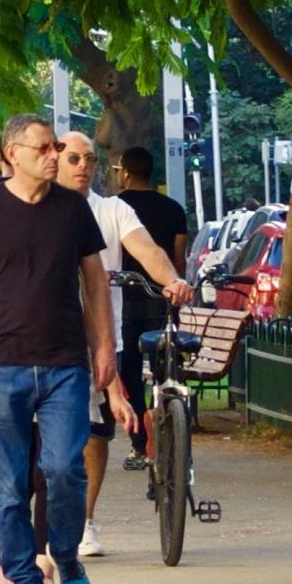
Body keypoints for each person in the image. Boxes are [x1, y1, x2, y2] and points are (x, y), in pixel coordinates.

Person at [0, 115, 112, 584]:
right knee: (9, 484)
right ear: (12, 153)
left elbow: (96, 283)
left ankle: (64, 554)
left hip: (65, 362)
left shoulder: (73, 210)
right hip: (1, 364)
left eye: (57, 146)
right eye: (45, 147)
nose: (54, 154)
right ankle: (25, 581)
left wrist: (104, 345)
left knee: (64, 470)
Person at [55, 134, 194, 558]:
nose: (84, 166)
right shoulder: (39, 208)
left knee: (96, 436)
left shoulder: (112, 209)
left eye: (91, 159)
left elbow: (147, 248)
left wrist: (171, 280)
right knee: (52, 439)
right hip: (50, 339)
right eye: (74, 158)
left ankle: (85, 521)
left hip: (102, 336)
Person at [112, 145, 193, 463]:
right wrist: (176, 289)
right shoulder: (173, 209)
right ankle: (167, 418)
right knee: (165, 365)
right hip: (162, 297)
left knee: (129, 367)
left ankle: (139, 440)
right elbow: (178, 259)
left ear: (127, 173)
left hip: (126, 299)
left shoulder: (116, 207)